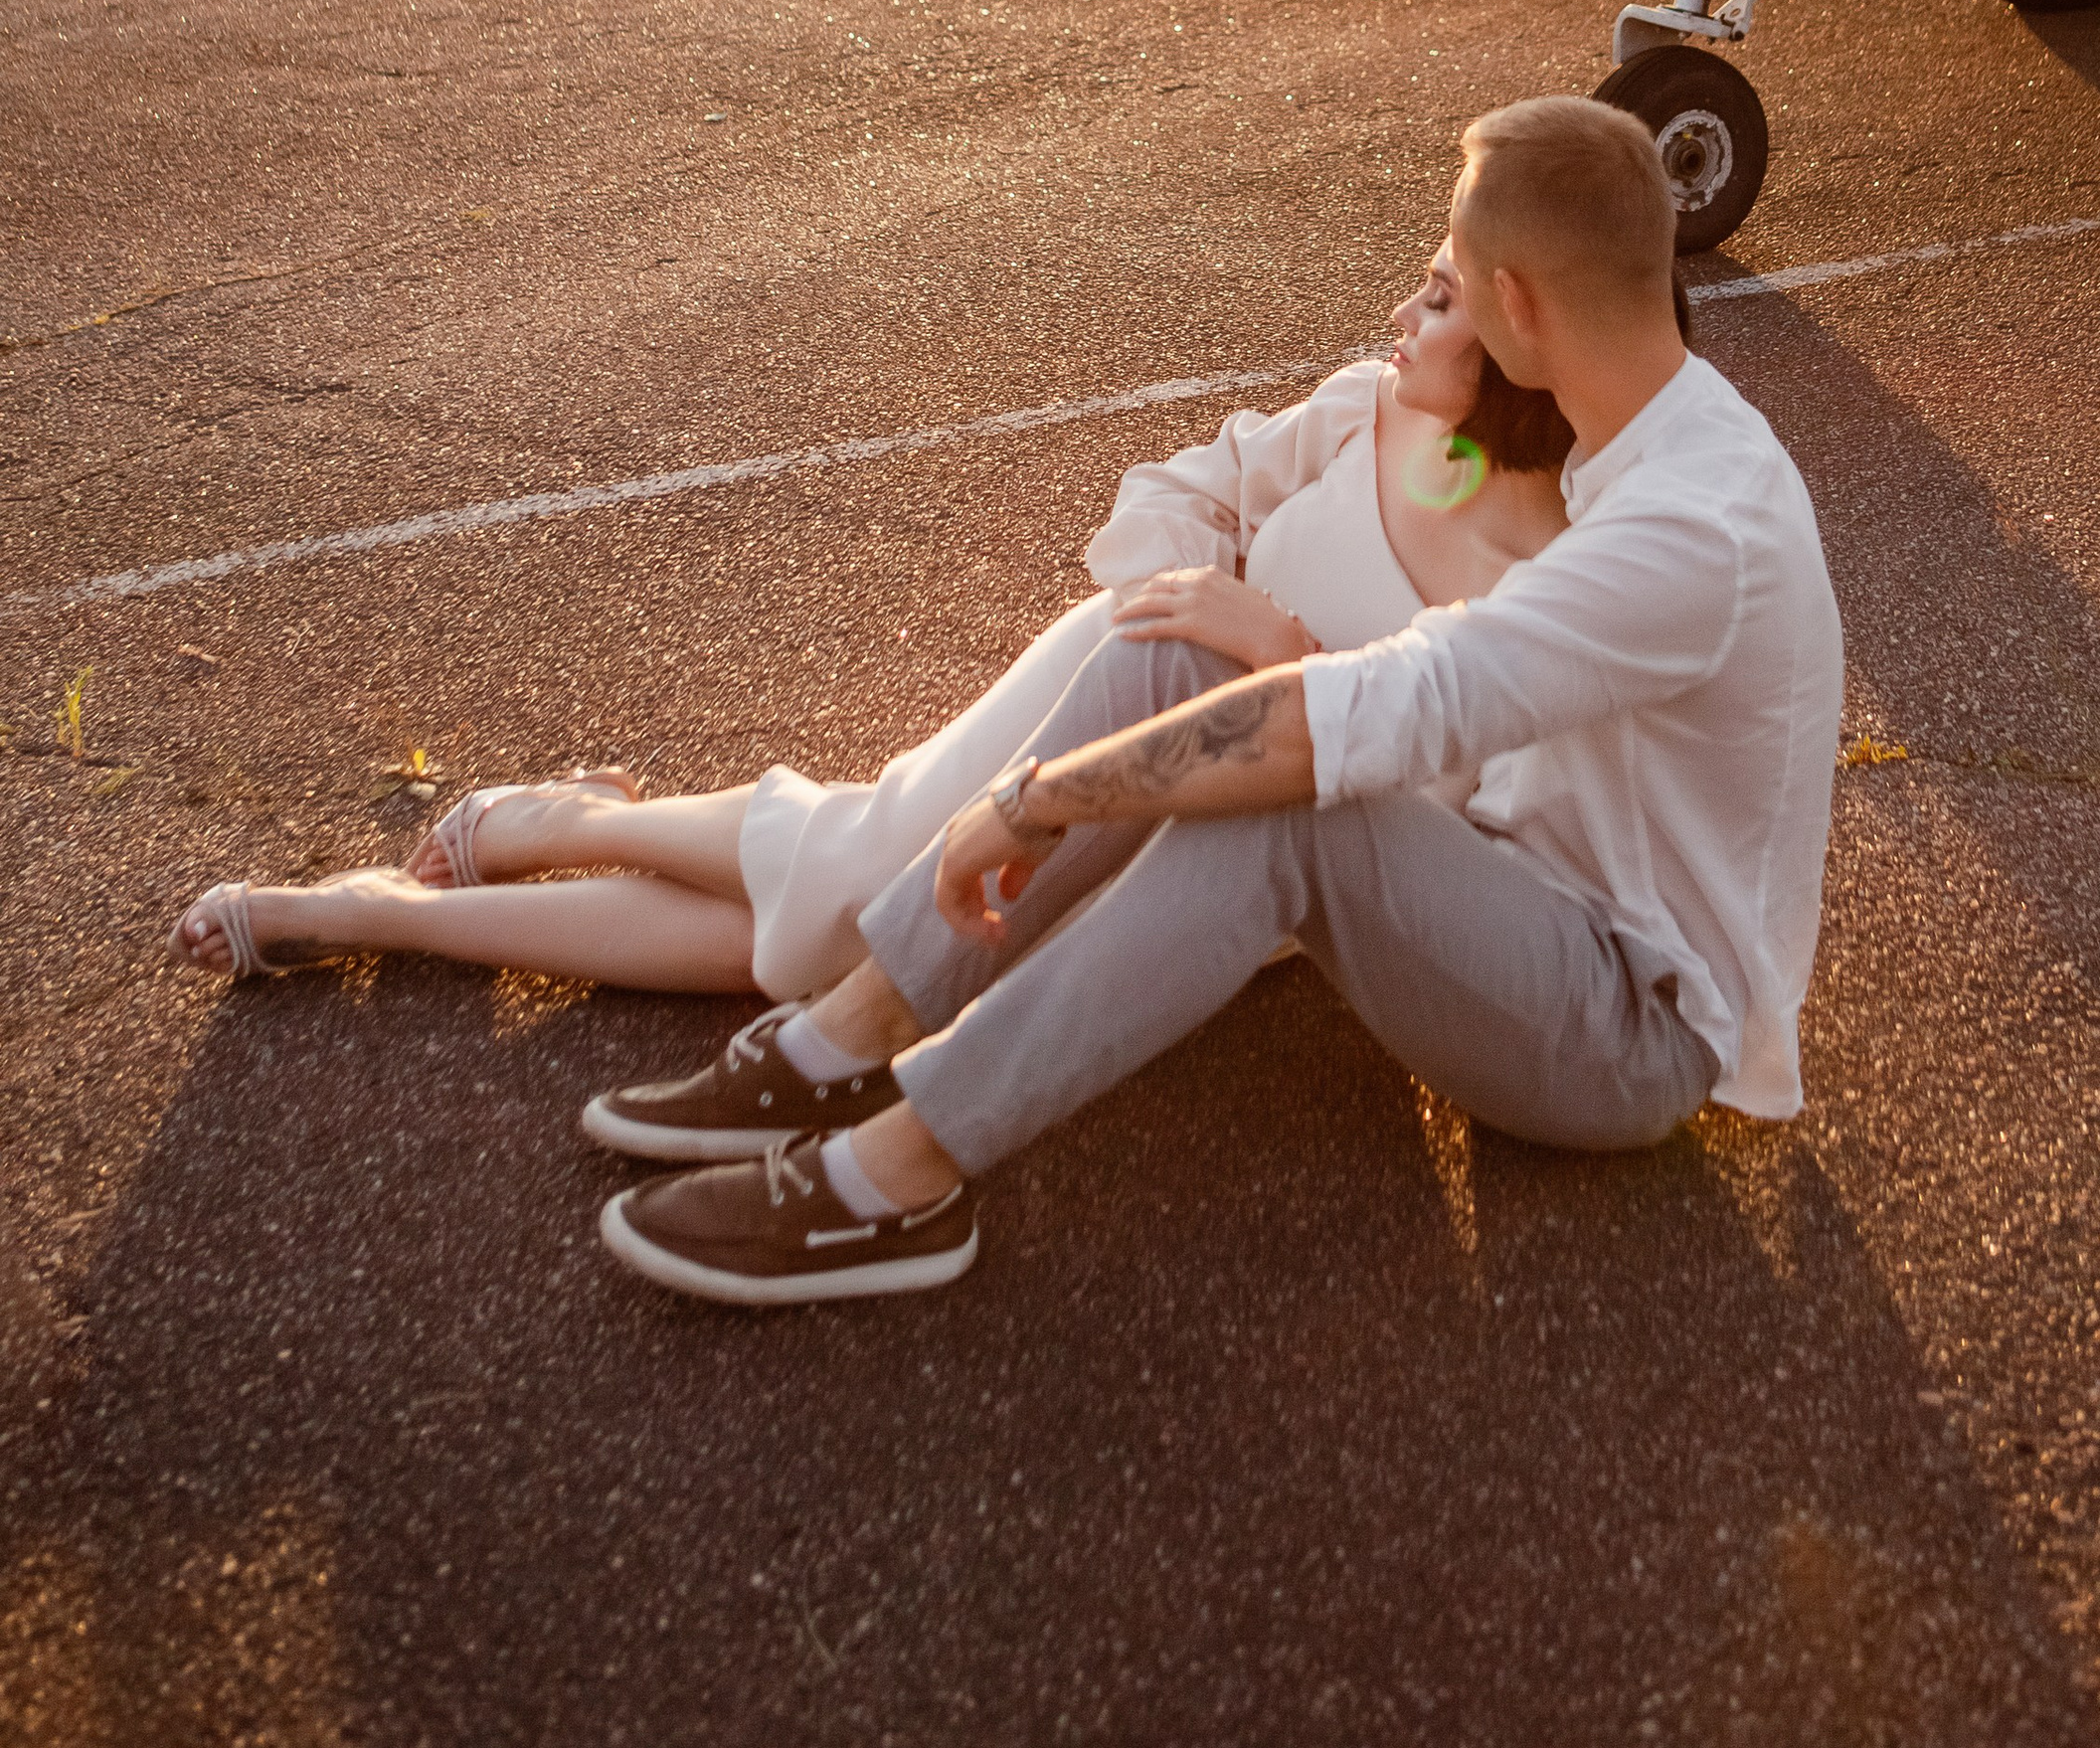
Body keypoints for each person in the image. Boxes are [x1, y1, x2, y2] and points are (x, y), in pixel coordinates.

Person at [593, 97, 1846, 1308]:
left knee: (1299, 796)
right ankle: (844, 1038)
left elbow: (1386, 707)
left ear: (1515, 304)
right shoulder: (1632, 433)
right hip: (1499, 898)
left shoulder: (1693, 529)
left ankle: (898, 1176)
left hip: (1627, 1025)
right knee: (1181, 657)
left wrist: (1036, 801)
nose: (1424, 298)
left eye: (1454, 273)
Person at [168, 237, 1573, 1009]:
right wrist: (1193, 606)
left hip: (1223, 835)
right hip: (1108, 691)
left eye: (1441, 300)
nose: (1401, 308)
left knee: (824, 945)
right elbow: (1172, 495)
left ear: (1520, 339)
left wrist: (1280, 652)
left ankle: (502, 853)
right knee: (856, 914)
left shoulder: (1558, 591)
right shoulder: (1366, 407)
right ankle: (460, 876)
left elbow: (1436, 829)